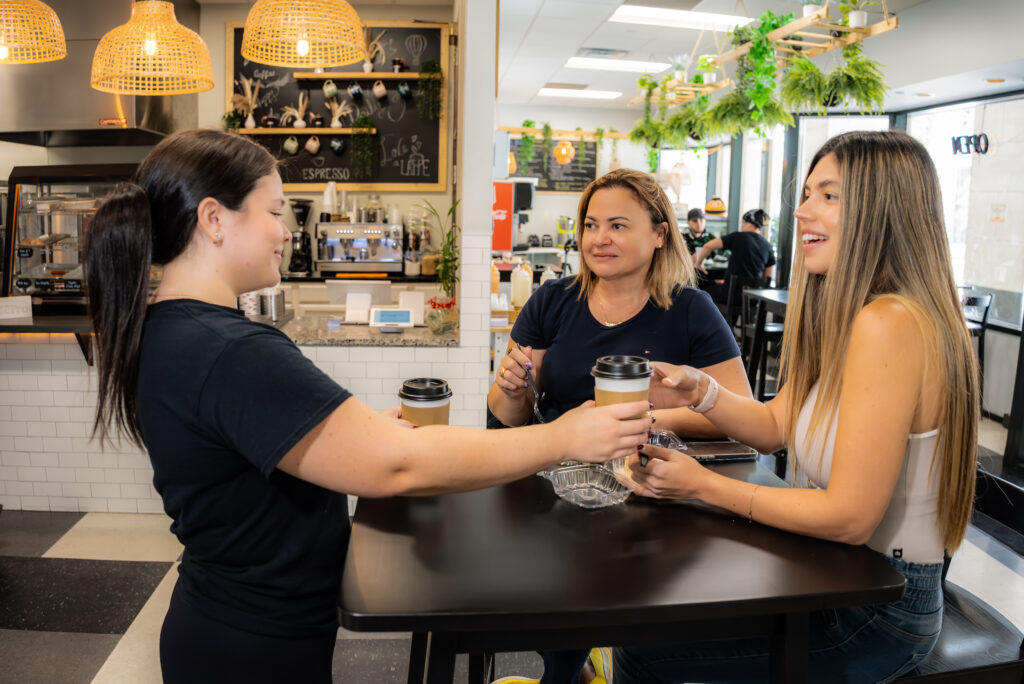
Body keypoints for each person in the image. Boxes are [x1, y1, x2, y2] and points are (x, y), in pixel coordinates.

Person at [83, 129, 652, 684]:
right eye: (274, 211)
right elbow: (397, 466)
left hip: (228, 624)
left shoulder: (170, 329)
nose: (285, 230)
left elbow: (243, 446)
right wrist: (564, 436)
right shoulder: (230, 348)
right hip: (250, 646)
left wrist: (351, 433)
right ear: (213, 219)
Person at [614, 130, 980, 683]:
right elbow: (773, 426)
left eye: (828, 196)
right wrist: (701, 391)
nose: (802, 210)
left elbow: (849, 518)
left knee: (643, 653)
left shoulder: (891, 323)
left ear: (882, 212)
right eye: (807, 194)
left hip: (880, 609)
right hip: (836, 576)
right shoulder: (849, 316)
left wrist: (701, 485)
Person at [486, 168, 752, 684]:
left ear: (659, 234)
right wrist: (512, 388)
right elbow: (505, 418)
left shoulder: (690, 310)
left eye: (618, 225)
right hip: (560, 491)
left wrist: (637, 419)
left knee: (634, 615)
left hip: (655, 494)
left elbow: (741, 414)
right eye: (591, 225)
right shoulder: (552, 301)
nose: (599, 239)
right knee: (549, 602)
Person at [695, 208, 776, 306]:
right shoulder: (768, 245)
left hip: (731, 296)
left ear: (749, 223)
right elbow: (768, 277)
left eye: (742, 222)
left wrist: (698, 264)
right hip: (753, 299)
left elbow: (708, 246)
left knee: (702, 288)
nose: (741, 225)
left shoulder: (738, 237)